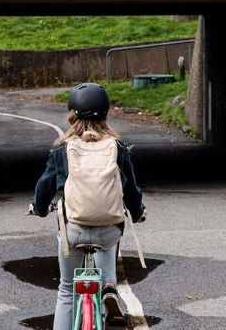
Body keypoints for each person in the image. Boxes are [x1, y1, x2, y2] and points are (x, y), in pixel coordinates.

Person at [29, 82, 146, 330]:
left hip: (74, 231)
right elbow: (130, 191)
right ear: (105, 113)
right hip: (108, 230)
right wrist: (137, 213)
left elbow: (44, 187)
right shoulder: (118, 147)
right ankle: (108, 287)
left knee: (66, 290)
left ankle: (102, 291)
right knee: (108, 232)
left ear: (72, 114)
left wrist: (39, 208)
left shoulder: (62, 148)